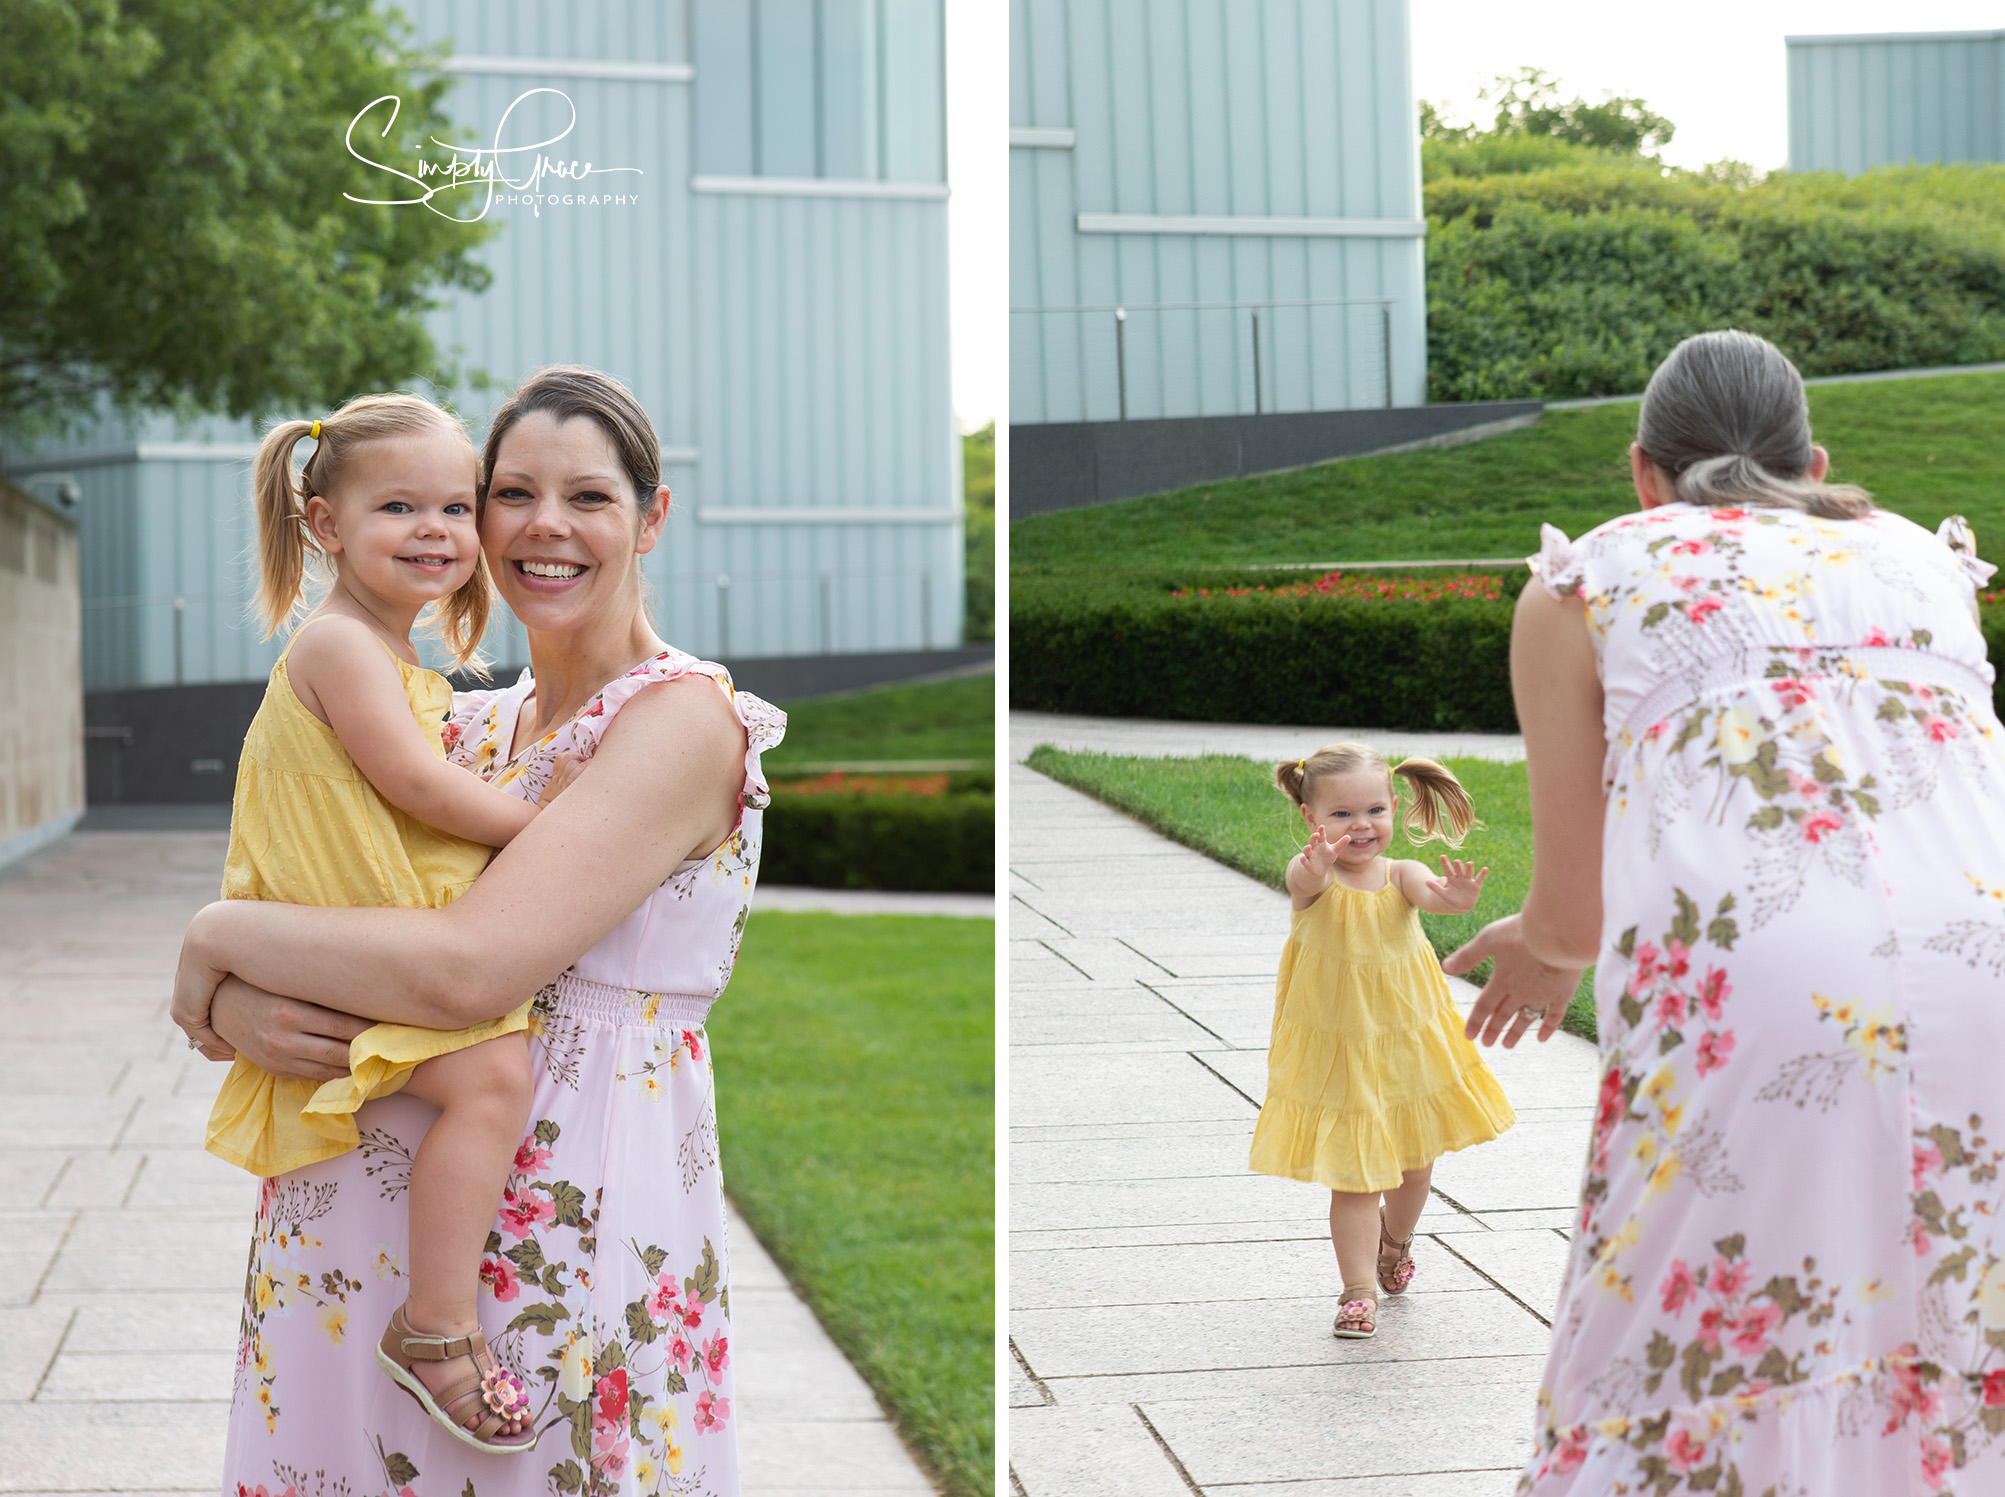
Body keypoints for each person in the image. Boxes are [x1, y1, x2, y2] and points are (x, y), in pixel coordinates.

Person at [174, 366, 784, 1489]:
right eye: (511, 493)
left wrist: (217, 935)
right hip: (363, 1202)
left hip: (561, 1210)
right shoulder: (462, 724)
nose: (544, 525)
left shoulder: (680, 721)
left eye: (590, 498)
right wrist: (244, 1002)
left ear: (652, 518)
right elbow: (350, 907)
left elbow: (463, 972)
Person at [1448, 329, 2005, 1494]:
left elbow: (1568, 905)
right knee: (1957, 1310)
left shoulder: (1588, 577)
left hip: (1765, 984)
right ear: (1815, 463)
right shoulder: (1923, 556)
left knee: (1690, 1339)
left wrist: (1538, 949)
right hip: (1989, 964)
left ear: (1641, 470)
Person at [186, 392, 588, 1448]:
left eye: (456, 510)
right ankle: (437, 1329)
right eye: (398, 508)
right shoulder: (339, 650)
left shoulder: (387, 655)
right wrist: (545, 826)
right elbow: (419, 788)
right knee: (492, 1077)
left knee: (485, 1078)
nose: (435, 531)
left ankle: (433, 1323)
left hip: (349, 915)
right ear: (324, 526)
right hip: (340, 918)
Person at [1250, 744, 1515, 1339]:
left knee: (1414, 1166)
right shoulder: (1311, 877)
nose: (1360, 825)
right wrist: (1317, 860)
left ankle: (1394, 1246)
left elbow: (1432, 895)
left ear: (1394, 807)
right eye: (1340, 815)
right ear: (1311, 819)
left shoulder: (1400, 873)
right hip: (1339, 1046)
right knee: (1356, 1173)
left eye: (1373, 810)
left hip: (1405, 1039)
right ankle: (1357, 1291)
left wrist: (1458, 899)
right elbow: (1303, 876)